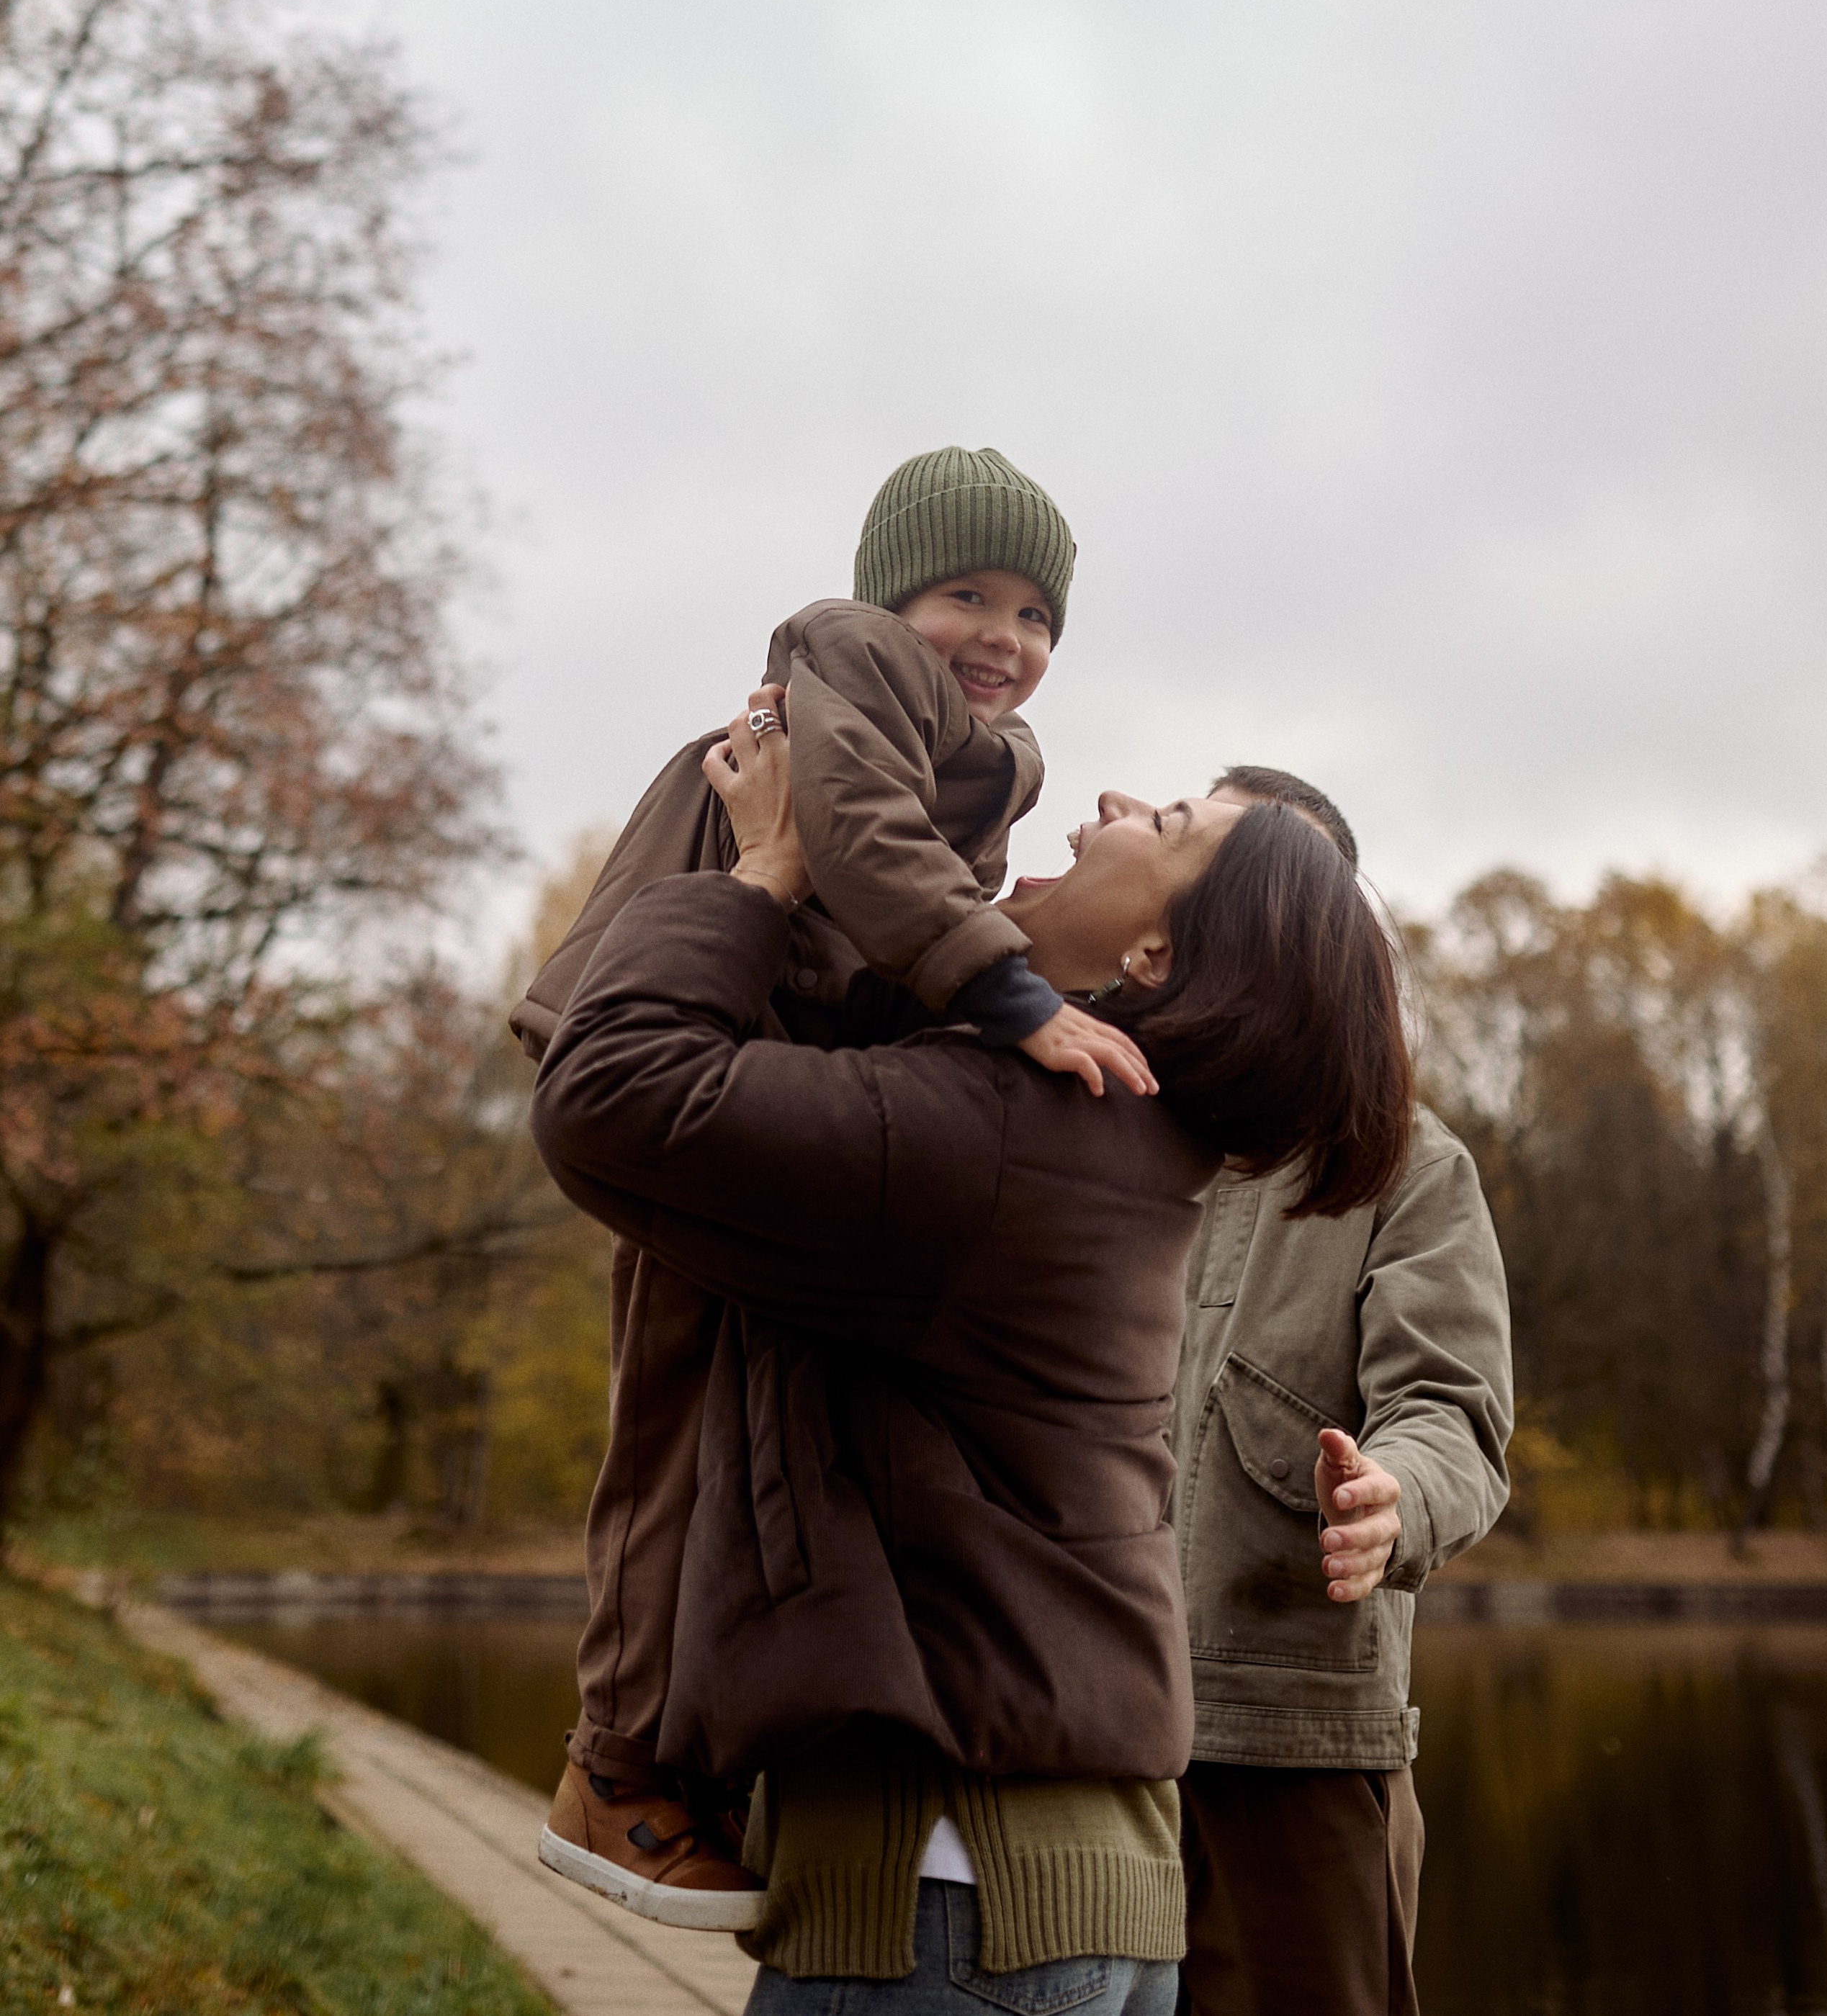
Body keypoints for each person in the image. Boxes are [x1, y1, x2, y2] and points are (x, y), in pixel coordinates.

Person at [527, 712, 1419, 2009]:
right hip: (1072, 1904)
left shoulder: (998, 1138)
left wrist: (767, 872)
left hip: (944, 1905)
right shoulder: (1100, 1136)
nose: (1113, 801)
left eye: (1163, 824)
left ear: (1156, 952)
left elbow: (604, 1094)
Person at [515, 446, 1154, 1923]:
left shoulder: (986, 751)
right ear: (891, 597)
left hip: (756, 1067)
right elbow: (853, 846)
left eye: (1034, 613)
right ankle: (609, 1765)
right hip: (671, 1042)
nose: (1003, 635)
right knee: (672, 1425)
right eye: (964, 594)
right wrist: (1008, 999)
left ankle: (692, 1762)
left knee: (737, 1430)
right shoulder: (844, 661)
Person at [1170, 766, 1514, 2016]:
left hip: (1294, 1751)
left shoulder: (1409, 1164)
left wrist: (1391, 1497)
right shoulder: (1099, 1125)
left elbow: (1454, 1417)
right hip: (1073, 1745)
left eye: (1280, 873)